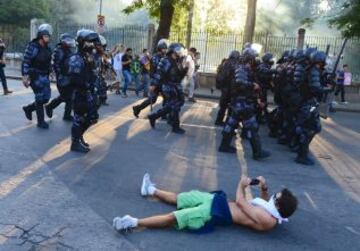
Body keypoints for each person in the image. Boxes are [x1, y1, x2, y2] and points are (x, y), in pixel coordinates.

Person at [113, 173, 297, 232]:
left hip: (213, 213)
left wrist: (241, 185)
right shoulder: (271, 211)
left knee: (173, 217)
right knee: (181, 198)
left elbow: (242, 203)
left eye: (276, 197)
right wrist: (264, 188)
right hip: (217, 201)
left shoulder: (268, 221)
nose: (273, 197)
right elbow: (263, 203)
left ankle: (132, 222)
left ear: (279, 207)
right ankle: (150, 190)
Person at [218, 48, 270, 160]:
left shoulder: (244, 68)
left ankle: (224, 146)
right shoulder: (242, 68)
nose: (255, 60)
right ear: (249, 58)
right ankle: (257, 152)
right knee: (252, 126)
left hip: (240, 102)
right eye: (254, 58)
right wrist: (252, 85)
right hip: (243, 103)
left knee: (231, 124)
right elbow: (240, 83)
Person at [68, 29, 100, 153]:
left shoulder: (87, 57)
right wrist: (85, 85)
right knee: (78, 118)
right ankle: (75, 143)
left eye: (92, 43)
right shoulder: (75, 58)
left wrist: (91, 65)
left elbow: (93, 73)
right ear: (81, 43)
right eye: (88, 42)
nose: (91, 45)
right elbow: (74, 78)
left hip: (88, 92)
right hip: (79, 93)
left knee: (92, 117)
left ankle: (79, 137)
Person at [147, 43, 188, 134]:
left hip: (176, 86)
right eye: (178, 50)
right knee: (175, 105)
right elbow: (159, 74)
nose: (180, 52)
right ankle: (175, 126)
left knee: (176, 104)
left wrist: (185, 69)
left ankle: (154, 116)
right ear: (173, 51)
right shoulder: (165, 60)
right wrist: (153, 85)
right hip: (168, 86)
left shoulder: (177, 61)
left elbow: (179, 76)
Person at [22, 24, 53, 129]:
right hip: (34, 75)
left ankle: (28, 109)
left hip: (44, 76)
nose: (48, 38)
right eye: (46, 36)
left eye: (48, 36)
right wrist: (25, 76)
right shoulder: (33, 46)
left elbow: (49, 62)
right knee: (39, 98)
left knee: (46, 98)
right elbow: (26, 61)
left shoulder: (48, 48)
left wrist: (51, 71)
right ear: (40, 36)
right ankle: (40, 122)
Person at [132, 39, 168, 118]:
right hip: (156, 82)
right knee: (155, 99)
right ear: (160, 48)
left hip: (161, 81)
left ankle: (138, 108)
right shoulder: (155, 58)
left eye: (166, 49)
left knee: (165, 97)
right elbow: (153, 71)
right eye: (164, 49)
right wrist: (153, 83)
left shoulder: (163, 57)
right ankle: (137, 108)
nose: (165, 50)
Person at [45, 33, 76, 121]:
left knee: (67, 97)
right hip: (63, 78)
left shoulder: (68, 50)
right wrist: (62, 75)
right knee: (67, 97)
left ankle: (65, 114)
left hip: (68, 77)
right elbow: (56, 65)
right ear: (63, 42)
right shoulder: (59, 51)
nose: (69, 43)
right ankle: (50, 107)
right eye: (68, 41)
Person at [214, 51, 241, 126]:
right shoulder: (231, 64)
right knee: (228, 106)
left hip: (227, 88)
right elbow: (224, 76)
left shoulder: (227, 62)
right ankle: (224, 121)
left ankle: (221, 121)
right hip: (229, 88)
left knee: (224, 106)